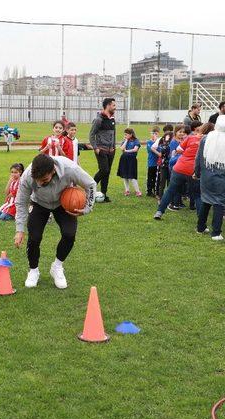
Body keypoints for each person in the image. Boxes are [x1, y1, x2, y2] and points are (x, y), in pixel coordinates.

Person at [14, 154, 96, 289]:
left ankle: (57, 267)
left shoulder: (70, 168)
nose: (40, 183)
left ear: (53, 171)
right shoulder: (27, 175)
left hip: (63, 203)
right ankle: (33, 270)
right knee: (34, 237)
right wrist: (19, 229)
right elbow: (21, 202)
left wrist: (87, 208)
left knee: (69, 234)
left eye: (44, 179)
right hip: (38, 203)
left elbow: (90, 184)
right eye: (37, 180)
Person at [194, 115, 225, 241]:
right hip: (221, 176)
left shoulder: (206, 138)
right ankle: (216, 233)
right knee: (219, 203)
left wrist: (197, 172)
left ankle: (200, 227)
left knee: (206, 200)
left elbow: (199, 157)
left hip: (206, 175)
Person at [153, 121, 203, 220]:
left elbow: (178, 150)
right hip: (192, 170)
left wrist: (188, 150)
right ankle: (201, 221)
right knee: (197, 195)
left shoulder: (190, 138)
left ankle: (159, 212)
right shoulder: (206, 140)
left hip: (179, 167)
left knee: (170, 190)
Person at [89, 97, 116, 202]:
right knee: (103, 170)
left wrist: (113, 147)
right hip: (101, 150)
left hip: (111, 151)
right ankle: (90, 187)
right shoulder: (98, 120)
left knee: (107, 172)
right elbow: (91, 135)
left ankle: (103, 194)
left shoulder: (112, 119)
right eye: (113, 105)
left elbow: (114, 134)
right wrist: (96, 148)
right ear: (108, 106)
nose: (115, 107)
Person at [116, 127, 141, 197]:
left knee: (132, 176)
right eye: (125, 134)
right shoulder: (125, 140)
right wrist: (126, 140)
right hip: (124, 159)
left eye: (126, 134)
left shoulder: (136, 141)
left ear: (131, 134)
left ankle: (138, 191)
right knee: (125, 176)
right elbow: (121, 148)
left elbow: (135, 149)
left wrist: (127, 151)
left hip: (132, 160)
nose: (125, 135)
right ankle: (127, 190)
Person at [146, 126, 160, 197]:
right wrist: (155, 142)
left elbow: (160, 150)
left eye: (156, 133)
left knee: (156, 178)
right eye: (153, 133)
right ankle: (149, 191)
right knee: (150, 178)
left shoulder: (159, 142)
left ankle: (155, 191)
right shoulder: (149, 142)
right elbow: (151, 150)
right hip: (151, 163)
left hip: (157, 163)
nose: (154, 135)